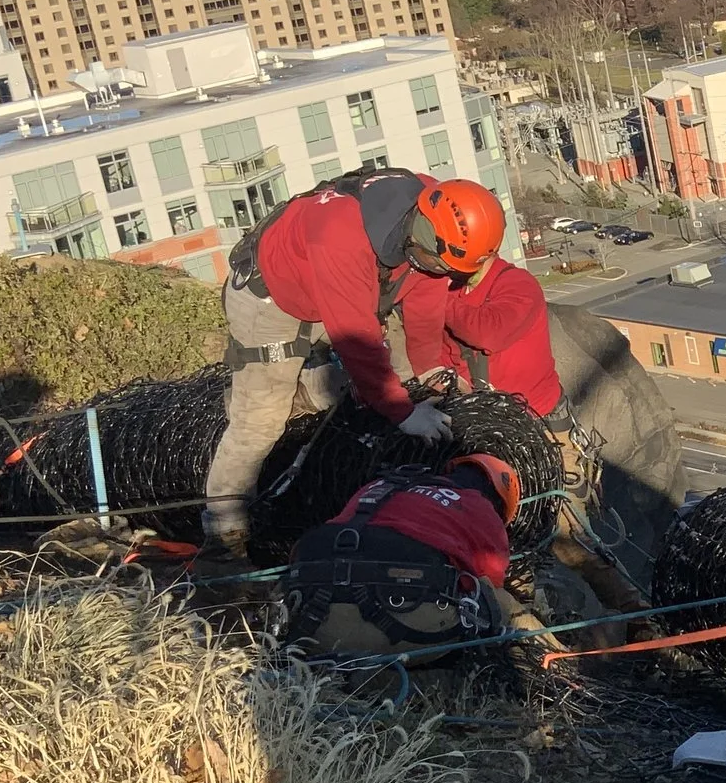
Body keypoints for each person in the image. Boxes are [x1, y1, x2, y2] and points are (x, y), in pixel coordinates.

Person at [202, 168, 505, 558]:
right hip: (272, 297)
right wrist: (401, 412)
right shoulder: (342, 237)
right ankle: (223, 533)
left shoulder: (437, 215)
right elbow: (355, 338)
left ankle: (306, 385)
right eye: (442, 266)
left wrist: (428, 369)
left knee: (367, 385)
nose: (445, 275)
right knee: (260, 421)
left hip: (333, 287)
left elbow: (425, 302)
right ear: (421, 236)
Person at [279, 452, 533, 658]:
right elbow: (488, 587)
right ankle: (559, 661)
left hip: (308, 619)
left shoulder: (381, 485)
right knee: (499, 602)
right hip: (400, 626)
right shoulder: (481, 508)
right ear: (498, 501)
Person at [411, 252, 564, 419]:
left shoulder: (519, 283)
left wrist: (434, 297)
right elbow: (440, 351)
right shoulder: (456, 290)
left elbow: (487, 333)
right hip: (477, 417)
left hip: (534, 416)